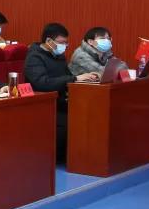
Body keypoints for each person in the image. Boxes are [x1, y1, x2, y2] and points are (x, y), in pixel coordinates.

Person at [26, 23, 99, 163]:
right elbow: (41, 83)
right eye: (61, 43)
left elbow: (67, 76)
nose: (64, 46)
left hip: (62, 100)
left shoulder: (58, 56)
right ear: (48, 41)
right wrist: (75, 78)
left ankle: (87, 157)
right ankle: (66, 158)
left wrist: (86, 78)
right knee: (73, 121)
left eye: (66, 43)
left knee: (90, 114)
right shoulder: (34, 57)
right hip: (45, 104)